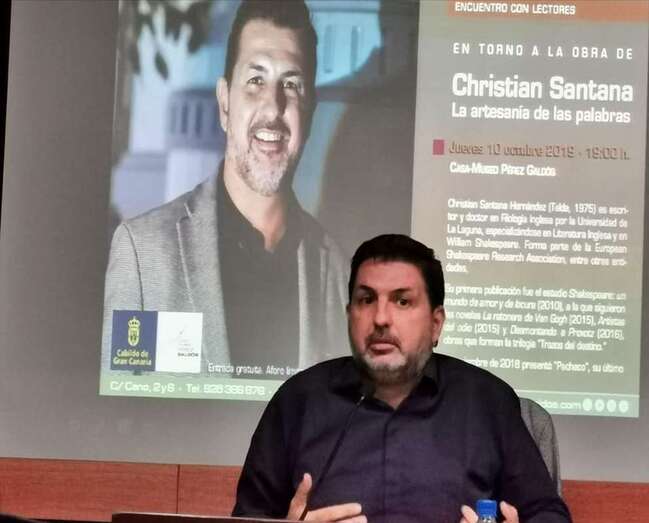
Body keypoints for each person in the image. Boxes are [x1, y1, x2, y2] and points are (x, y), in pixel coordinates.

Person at [232, 234, 572, 523]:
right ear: (349, 315)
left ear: (436, 324)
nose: (381, 318)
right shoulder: (299, 400)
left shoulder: (487, 401)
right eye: (366, 300)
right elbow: (248, 515)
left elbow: (547, 513)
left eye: (402, 301)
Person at [102, 0, 348, 376]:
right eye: (255, 81)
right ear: (224, 104)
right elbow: (118, 403)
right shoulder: (142, 254)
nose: (273, 107)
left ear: (310, 113)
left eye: (291, 85)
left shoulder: (339, 273)